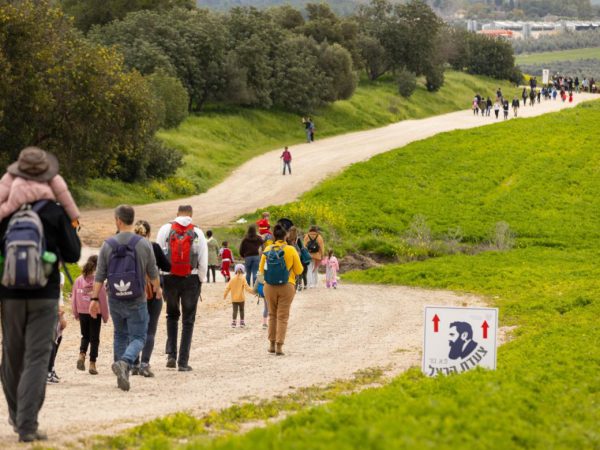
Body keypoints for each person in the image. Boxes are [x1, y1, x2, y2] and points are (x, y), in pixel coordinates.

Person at [0, 148, 81, 443]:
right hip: (44, 293)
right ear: (48, 177)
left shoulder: (5, 213)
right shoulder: (55, 211)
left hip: (9, 294)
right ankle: (27, 423)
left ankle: (15, 413)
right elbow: (74, 253)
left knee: (11, 355)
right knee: (37, 357)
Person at [90, 205, 161, 391]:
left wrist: (94, 299)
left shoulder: (108, 244)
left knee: (120, 334)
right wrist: (158, 289)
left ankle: (122, 373)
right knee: (139, 336)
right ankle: (125, 363)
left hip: (114, 297)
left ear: (118, 220)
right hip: (137, 298)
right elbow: (153, 272)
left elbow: (99, 275)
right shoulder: (144, 244)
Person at [156, 205, 207, 372]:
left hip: (169, 277)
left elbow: (156, 255)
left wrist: (159, 278)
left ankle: (171, 355)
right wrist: (200, 280)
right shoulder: (198, 232)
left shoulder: (165, 229)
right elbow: (203, 261)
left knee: (171, 315)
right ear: (191, 215)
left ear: (177, 214)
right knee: (188, 320)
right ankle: (183, 362)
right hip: (190, 278)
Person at [0, 147, 80, 225]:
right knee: (66, 228)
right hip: (47, 209)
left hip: (15, 207)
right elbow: (64, 197)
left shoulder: (10, 176)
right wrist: (74, 217)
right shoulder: (54, 177)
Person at [132, 220, 171, 378]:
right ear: (148, 233)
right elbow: (168, 267)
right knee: (150, 329)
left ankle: (134, 363)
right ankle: (144, 364)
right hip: (153, 291)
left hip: (133, 292)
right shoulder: (153, 247)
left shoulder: (128, 247)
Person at [259, 224, 303, 355]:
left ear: (273, 236)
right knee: (282, 316)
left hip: (269, 286)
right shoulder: (290, 249)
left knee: (272, 314)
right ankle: (279, 346)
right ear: (286, 236)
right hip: (287, 286)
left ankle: (271, 344)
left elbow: (261, 270)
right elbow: (299, 270)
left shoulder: (267, 249)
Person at [73, 256, 108, 376]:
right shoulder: (99, 282)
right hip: (95, 313)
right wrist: (105, 316)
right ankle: (92, 363)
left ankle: (82, 354)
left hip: (82, 312)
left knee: (85, 335)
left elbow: (74, 298)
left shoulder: (78, 280)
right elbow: (103, 300)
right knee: (94, 338)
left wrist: (75, 312)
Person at [47, 273, 68, 383]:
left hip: (58, 306)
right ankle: (48, 371)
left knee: (58, 338)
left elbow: (59, 293)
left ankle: (51, 368)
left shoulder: (60, 275)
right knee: (52, 340)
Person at [224, 264, 254, 328]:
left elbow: (227, 288)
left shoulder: (232, 279)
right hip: (241, 298)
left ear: (235, 270)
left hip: (234, 299)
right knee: (241, 310)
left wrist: (225, 295)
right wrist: (253, 292)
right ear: (243, 271)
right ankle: (242, 322)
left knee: (234, 310)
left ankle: (234, 322)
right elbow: (247, 288)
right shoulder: (243, 279)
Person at [287, 226, 308, 291]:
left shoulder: (287, 239)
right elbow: (302, 248)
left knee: (289, 270)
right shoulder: (298, 239)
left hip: (289, 255)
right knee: (297, 270)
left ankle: (290, 284)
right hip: (297, 256)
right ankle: (298, 285)